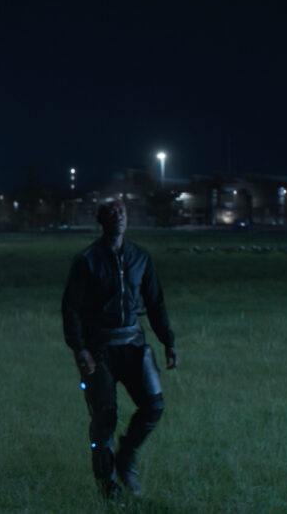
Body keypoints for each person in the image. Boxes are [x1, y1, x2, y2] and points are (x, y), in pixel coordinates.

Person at [61, 198, 179, 498]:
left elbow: (155, 302)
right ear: (101, 220)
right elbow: (71, 308)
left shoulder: (140, 257)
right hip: (99, 349)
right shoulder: (87, 260)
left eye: (122, 212)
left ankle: (126, 458)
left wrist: (168, 341)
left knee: (154, 406)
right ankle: (108, 484)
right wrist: (80, 349)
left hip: (133, 345)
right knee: (105, 416)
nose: (118, 217)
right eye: (112, 213)